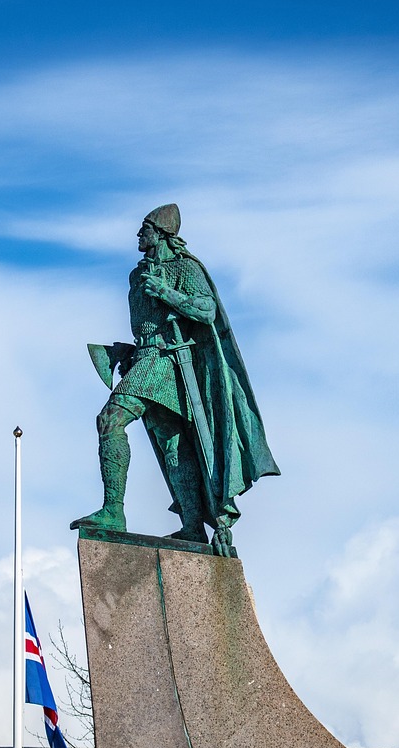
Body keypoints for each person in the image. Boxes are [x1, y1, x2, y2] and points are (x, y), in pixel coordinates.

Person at [71, 204, 278, 554]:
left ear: (162, 233)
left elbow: (207, 310)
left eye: (145, 228)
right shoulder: (136, 276)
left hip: (167, 361)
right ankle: (192, 527)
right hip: (146, 357)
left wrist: (166, 292)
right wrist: (129, 351)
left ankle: (113, 511)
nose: (139, 234)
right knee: (174, 445)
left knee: (110, 419)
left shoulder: (185, 267)